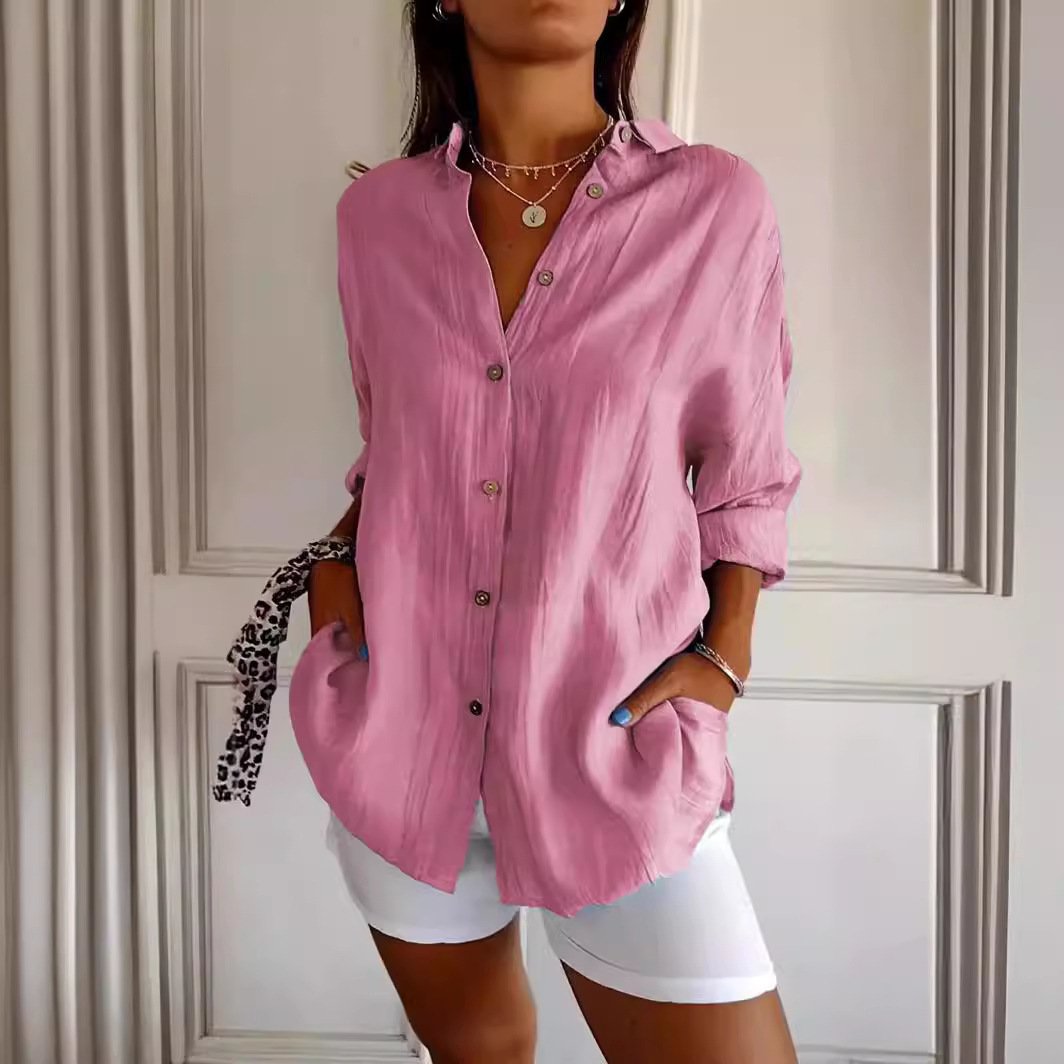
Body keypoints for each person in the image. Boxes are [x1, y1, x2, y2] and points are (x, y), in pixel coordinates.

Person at [226, 1, 803, 1060]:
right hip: (402, 741)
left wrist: (724, 657)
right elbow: (395, 445)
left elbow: (746, 472)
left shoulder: (713, 205)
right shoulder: (377, 219)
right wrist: (337, 579)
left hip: (615, 746)